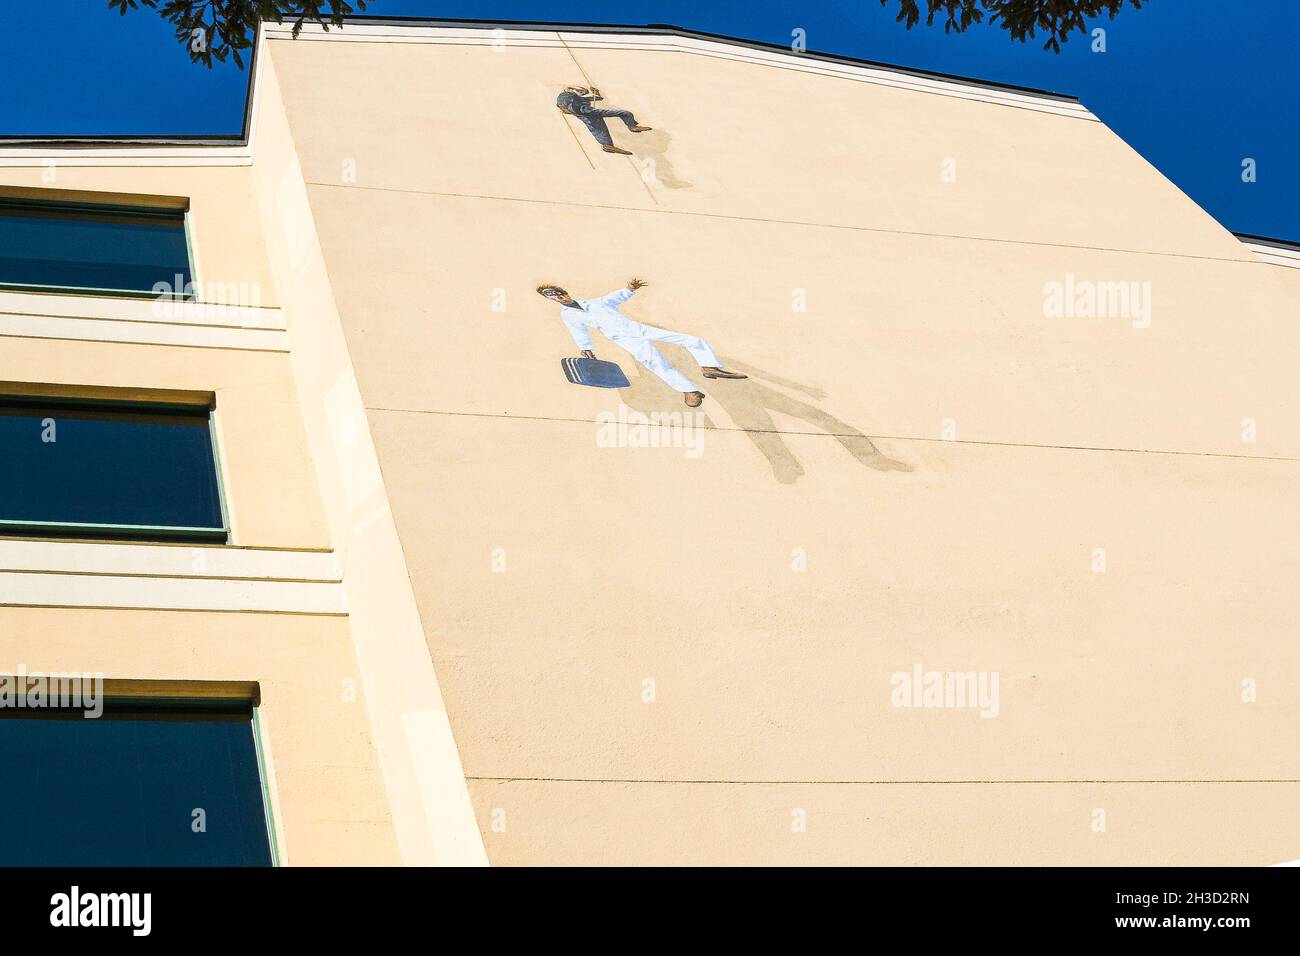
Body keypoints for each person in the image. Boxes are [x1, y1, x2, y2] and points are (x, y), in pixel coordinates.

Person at [538, 279, 746, 407]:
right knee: (656, 363)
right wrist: (587, 349)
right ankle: (690, 391)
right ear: (552, 300)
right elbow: (578, 331)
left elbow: (614, 298)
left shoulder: (594, 302)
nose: (559, 297)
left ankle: (709, 366)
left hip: (637, 328)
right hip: (623, 338)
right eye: (554, 297)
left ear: (566, 292)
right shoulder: (569, 316)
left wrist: (629, 289)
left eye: (560, 293)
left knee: (693, 340)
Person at [556, 86, 652, 155]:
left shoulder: (578, 98)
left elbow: (597, 98)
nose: (582, 92)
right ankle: (632, 126)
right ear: (570, 90)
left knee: (597, 127)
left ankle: (607, 145)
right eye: (579, 91)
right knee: (624, 113)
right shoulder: (565, 95)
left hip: (585, 113)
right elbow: (569, 104)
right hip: (586, 111)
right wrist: (583, 108)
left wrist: (595, 93)